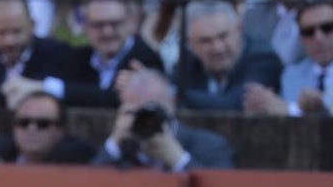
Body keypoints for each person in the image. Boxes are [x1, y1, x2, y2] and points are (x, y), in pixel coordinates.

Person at [244, 0, 333, 115]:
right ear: (300, 37)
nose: (318, 38)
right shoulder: (291, 75)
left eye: (327, 28)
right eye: (308, 31)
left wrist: (291, 110)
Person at [92, 67, 234, 169]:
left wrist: (178, 159)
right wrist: (114, 144)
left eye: (151, 110)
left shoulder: (210, 147)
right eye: (134, 112)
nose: (145, 119)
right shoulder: (119, 149)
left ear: (172, 103)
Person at [59, 0, 165, 108]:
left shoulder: (147, 59)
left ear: (131, 23)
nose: (107, 32)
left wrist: (59, 89)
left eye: (115, 23)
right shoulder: (76, 59)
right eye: (98, 25)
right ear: (86, 27)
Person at [178, 0, 283, 110]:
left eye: (223, 36)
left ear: (239, 29)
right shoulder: (187, 63)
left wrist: (179, 96)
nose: (218, 48)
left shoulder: (263, 59)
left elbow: (234, 106)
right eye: (206, 41)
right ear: (191, 44)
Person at [0, 0, 72, 107]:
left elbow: (79, 91)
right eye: (1, 33)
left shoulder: (57, 54)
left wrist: (41, 87)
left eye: (16, 31)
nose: (9, 41)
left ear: (32, 25)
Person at [0, 90, 97, 163]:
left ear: (60, 130)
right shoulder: (0, 150)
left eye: (43, 124)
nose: (31, 129)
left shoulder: (77, 157)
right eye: (23, 122)